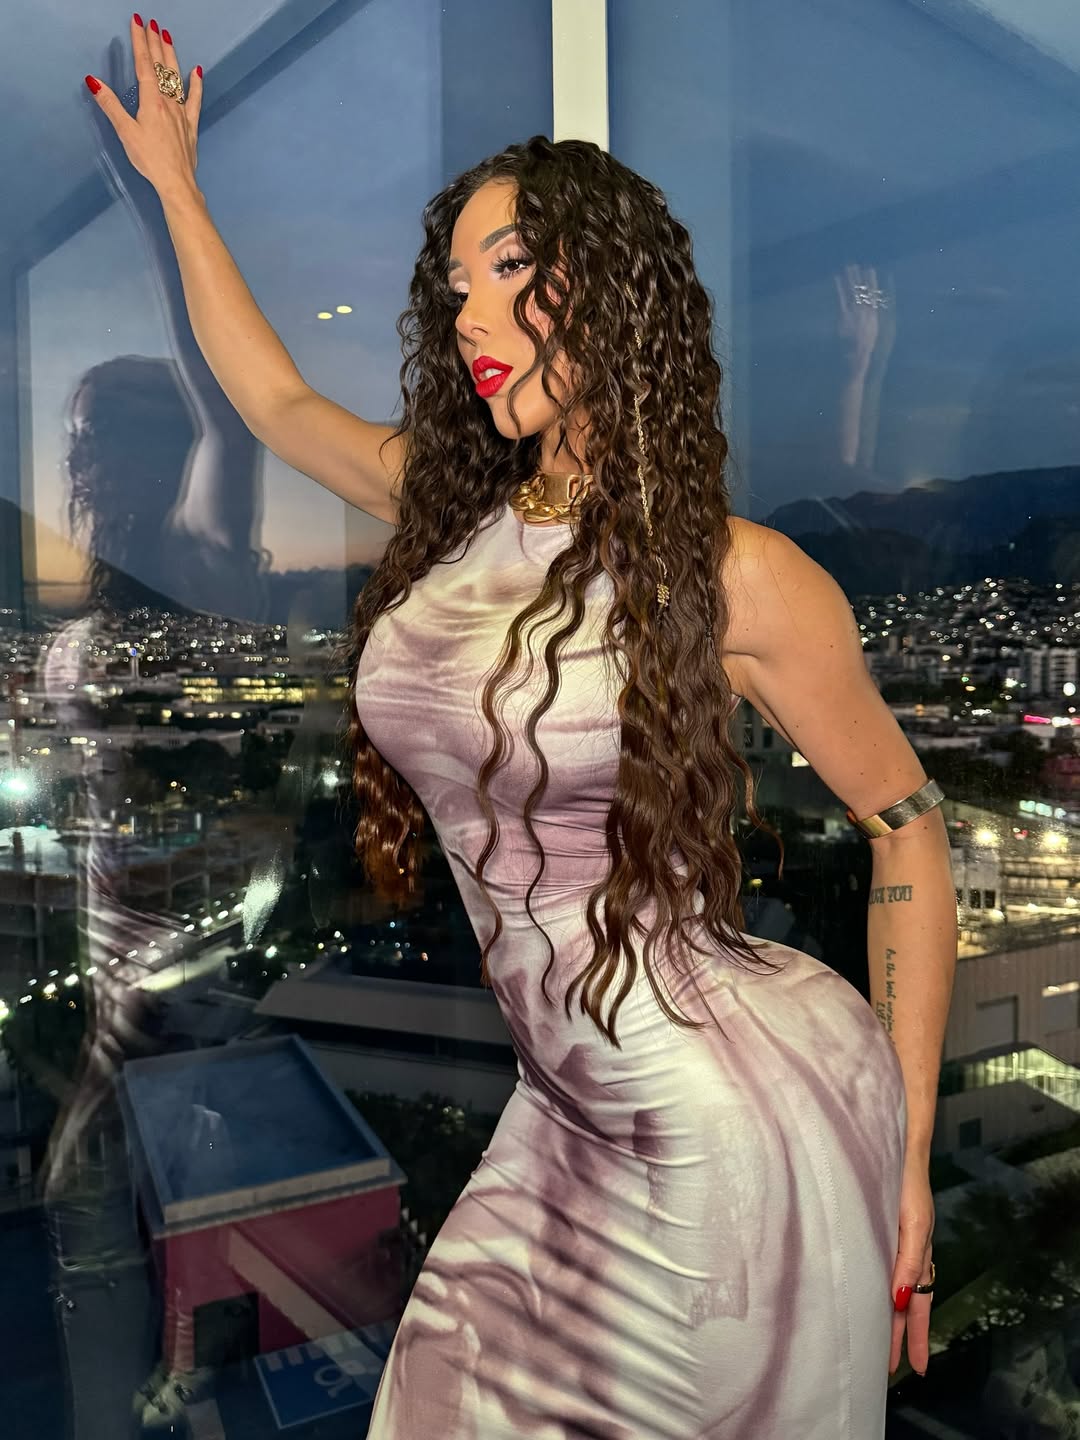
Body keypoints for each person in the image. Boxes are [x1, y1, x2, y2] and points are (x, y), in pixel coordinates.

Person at [86, 16, 957, 1437]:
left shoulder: (737, 576)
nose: (470, 319)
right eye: (456, 290)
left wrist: (909, 1151)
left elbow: (910, 829)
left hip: (714, 1142)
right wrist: (178, 185)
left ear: (610, 289)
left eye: (509, 271)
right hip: (557, 1113)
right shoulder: (459, 510)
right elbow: (276, 398)